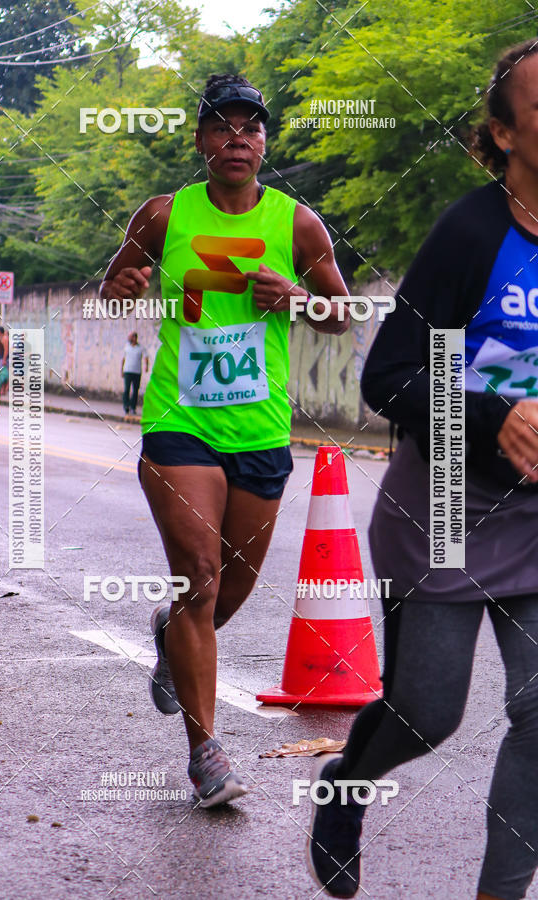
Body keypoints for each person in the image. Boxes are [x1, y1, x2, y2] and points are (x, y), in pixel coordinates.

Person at [307, 39, 538, 900]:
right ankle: (346, 786)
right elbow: (392, 378)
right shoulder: (470, 233)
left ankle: (500, 893)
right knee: (426, 712)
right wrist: (493, 415)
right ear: (504, 133)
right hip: (449, 498)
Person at [100, 73, 350, 807]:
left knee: (226, 591)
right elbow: (118, 282)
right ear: (202, 140)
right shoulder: (162, 214)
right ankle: (206, 752)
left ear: (264, 144)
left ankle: (170, 639)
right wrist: (125, 284)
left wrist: (299, 297)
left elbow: (341, 313)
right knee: (201, 573)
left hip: (261, 428)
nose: (238, 138)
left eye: (252, 128)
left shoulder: (297, 224)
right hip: (181, 423)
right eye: (223, 126)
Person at [121, 331, 144, 414]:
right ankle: (126, 406)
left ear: (134, 338)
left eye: (130, 337)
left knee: (135, 391)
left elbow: (145, 357)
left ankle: (133, 407)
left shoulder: (140, 348)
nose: (128, 338)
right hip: (127, 371)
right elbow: (123, 359)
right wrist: (122, 370)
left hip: (137, 372)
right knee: (126, 389)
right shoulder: (126, 347)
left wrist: (146, 366)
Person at [0, 326, 9, 394]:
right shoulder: (2, 338)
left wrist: (4, 359)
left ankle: (3, 389)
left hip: (5, 359)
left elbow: (6, 350)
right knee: (3, 374)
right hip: (3, 358)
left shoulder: (4, 338)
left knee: (3, 374)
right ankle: (3, 390)